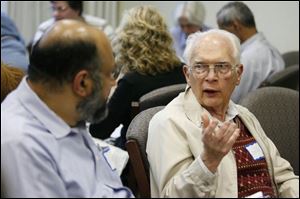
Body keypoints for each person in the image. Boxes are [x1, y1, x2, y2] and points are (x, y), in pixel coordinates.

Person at [146, 29, 299, 198]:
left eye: (222, 67)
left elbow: (283, 178)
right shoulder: (168, 122)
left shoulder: (244, 115)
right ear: (187, 75)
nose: (211, 76)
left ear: (238, 74)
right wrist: (208, 162)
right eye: (200, 67)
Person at [1, 19, 133, 198]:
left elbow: (109, 188)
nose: (113, 83)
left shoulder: (66, 114)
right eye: (110, 74)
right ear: (82, 83)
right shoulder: (22, 143)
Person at [89, 6, 186, 150]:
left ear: (126, 40)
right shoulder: (183, 71)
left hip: (135, 161)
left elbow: (98, 131)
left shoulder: (131, 82)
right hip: (177, 149)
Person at [216, 1, 284, 102]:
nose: (223, 37)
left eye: (223, 30)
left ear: (235, 26)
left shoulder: (248, 59)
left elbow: (229, 101)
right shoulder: (271, 49)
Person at [32, 1, 114, 46]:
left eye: (61, 9)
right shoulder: (44, 30)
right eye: (53, 9)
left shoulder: (102, 28)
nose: (55, 14)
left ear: (77, 9)